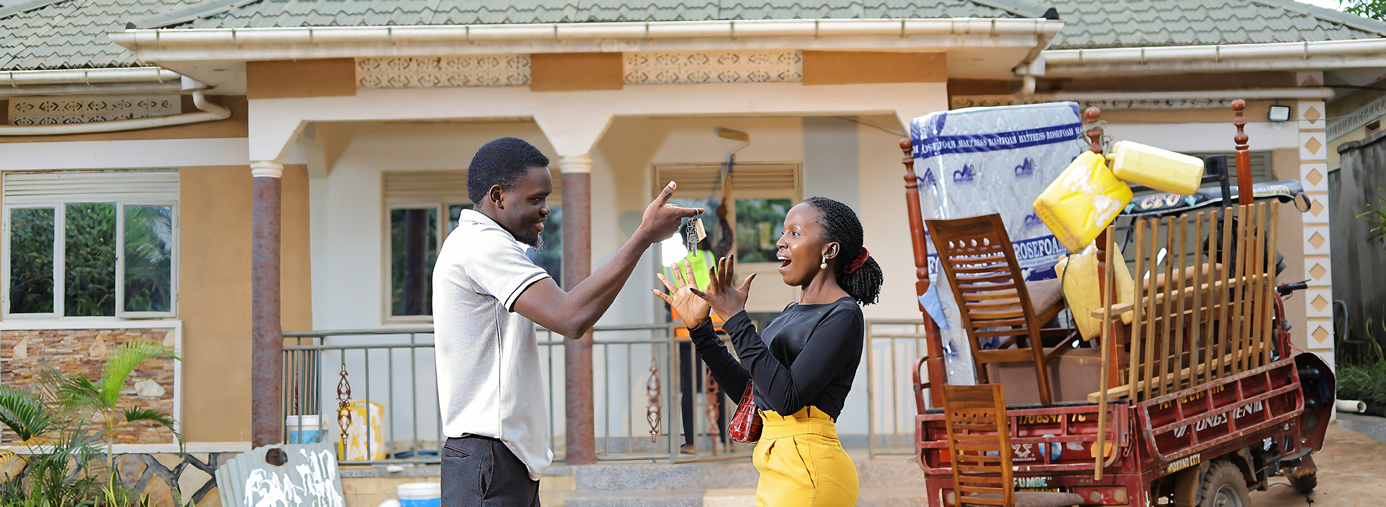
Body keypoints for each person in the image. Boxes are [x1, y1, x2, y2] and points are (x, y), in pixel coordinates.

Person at [435, 137, 700, 505]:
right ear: (498, 196)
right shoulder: (482, 244)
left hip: (499, 462)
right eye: (535, 199)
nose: (546, 210)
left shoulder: (486, 243)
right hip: (488, 461)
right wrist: (643, 237)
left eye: (546, 198)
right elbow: (570, 316)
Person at [655, 196, 883, 506]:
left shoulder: (843, 314)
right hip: (776, 462)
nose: (780, 242)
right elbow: (754, 393)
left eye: (795, 233)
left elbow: (787, 398)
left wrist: (737, 321)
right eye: (783, 232)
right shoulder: (792, 310)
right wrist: (701, 331)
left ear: (829, 250)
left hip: (809, 469)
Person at [667, 227, 728, 454]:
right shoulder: (715, 257)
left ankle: (691, 443)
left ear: (684, 241)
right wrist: (721, 218)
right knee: (720, 385)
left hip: (687, 334)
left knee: (689, 389)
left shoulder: (676, 266)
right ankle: (726, 439)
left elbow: (670, 302)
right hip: (715, 332)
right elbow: (728, 237)